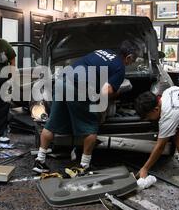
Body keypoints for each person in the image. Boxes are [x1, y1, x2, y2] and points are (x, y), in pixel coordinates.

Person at [33, 39, 140, 173]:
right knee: (90, 127)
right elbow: (104, 92)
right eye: (133, 60)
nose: (133, 63)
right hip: (78, 88)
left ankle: (40, 161)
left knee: (52, 124)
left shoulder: (104, 51)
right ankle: (84, 165)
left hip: (62, 82)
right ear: (128, 57)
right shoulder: (120, 68)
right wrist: (116, 92)